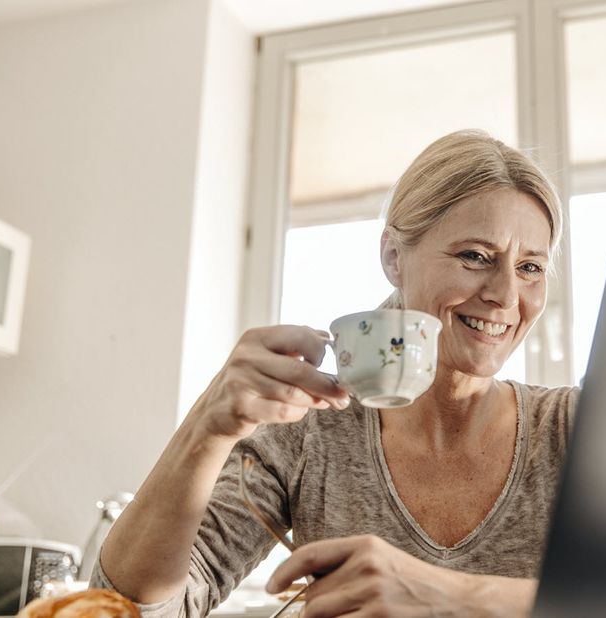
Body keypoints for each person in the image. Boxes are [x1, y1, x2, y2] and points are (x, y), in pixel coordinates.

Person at [92, 129, 580, 618]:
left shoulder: (575, 428)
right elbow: (124, 611)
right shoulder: (307, 437)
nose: (507, 295)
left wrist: (445, 594)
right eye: (475, 256)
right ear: (394, 257)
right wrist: (206, 428)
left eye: (531, 268)